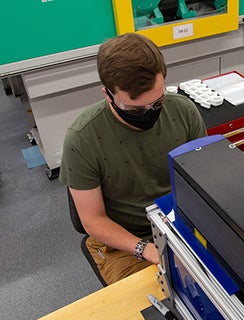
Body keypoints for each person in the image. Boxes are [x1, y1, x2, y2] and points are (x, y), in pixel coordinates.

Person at [60, 33, 207, 285]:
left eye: (158, 101)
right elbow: (93, 220)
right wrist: (147, 249)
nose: (150, 113)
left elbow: (203, 176)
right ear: (108, 95)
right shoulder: (82, 138)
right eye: (136, 109)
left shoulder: (183, 111)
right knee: (157, 303)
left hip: (180, 221)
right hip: (124, 240)